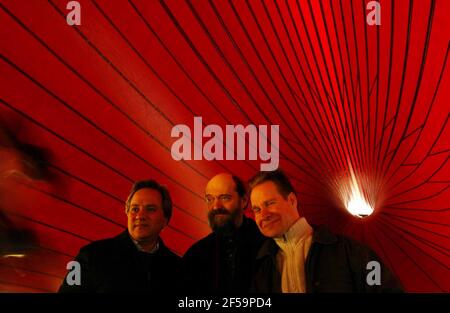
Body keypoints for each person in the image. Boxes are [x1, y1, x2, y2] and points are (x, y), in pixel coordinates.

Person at [248, 169, 403, 293]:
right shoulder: (260, 268)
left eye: (269, 203)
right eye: (256, 209)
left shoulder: (352, 252)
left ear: (292, 200)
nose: (263, 215)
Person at [59, 179, 181, 292]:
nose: (140, 216)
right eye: (135, 209)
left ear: (165, 219)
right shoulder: (90, 256)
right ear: (127, 213)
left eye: (150, 209)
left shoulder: (180, 268)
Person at [182, 173, 265, 293]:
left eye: (225, 198)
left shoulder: (267, 244)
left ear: (244, 201)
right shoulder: (196, 254)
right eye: (210, 199)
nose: (215, 206)